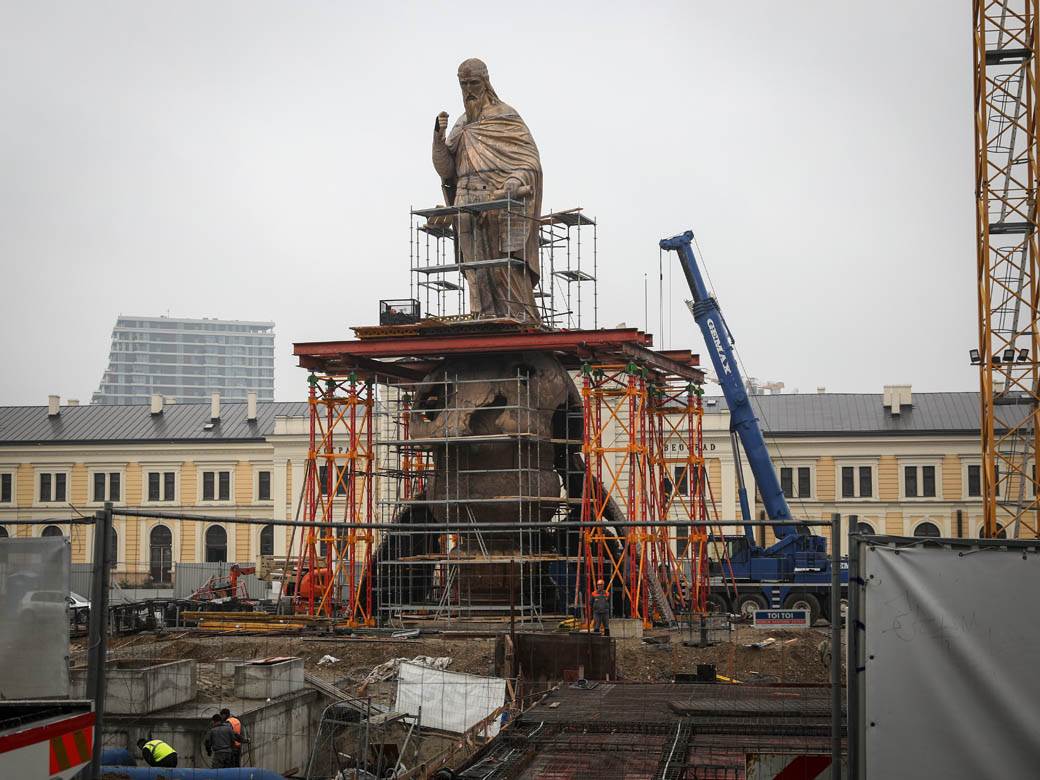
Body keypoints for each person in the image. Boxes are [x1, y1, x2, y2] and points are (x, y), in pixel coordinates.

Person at [431, 58, 543, 322]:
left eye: (473, 83)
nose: (468, 90)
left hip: (498, 202)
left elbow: (530, 160)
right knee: (475, 269)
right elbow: (446, 170)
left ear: (485, 82)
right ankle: (482, 315)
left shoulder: (505, 116)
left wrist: (515, 180)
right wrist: (438, 138)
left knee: (502, 266)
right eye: (463, 84)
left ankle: (516, 315)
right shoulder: (460, 124)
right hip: (465, 201)